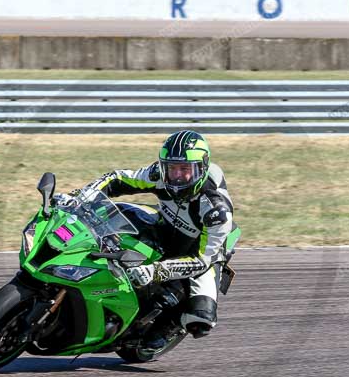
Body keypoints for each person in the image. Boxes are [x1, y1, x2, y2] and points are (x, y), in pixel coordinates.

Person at [81, 130, 234, 348]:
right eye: (172, 168)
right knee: (107, 225)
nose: (177, 176)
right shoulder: (158, 174)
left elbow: (201, 261)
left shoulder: (216, 211)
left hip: (199, 251)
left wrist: (155, 271)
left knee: (202, 317)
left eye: (185, 169)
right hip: (164, 224)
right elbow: (118, 178)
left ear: (201, 168)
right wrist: (82, 195)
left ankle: (173, 325)